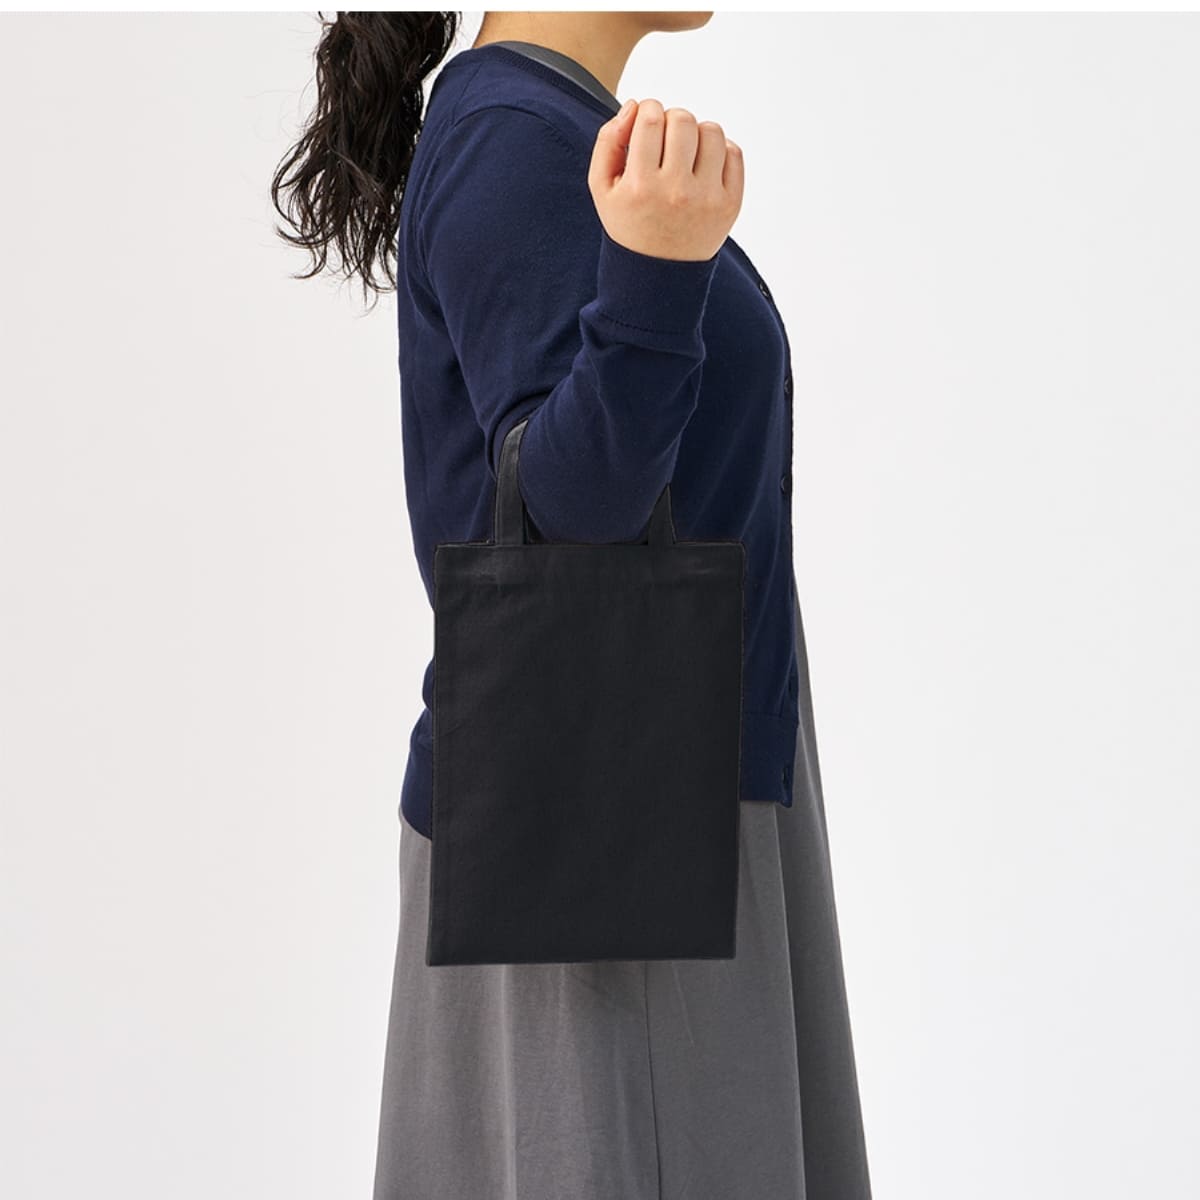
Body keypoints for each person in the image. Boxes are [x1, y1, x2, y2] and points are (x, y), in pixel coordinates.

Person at [272, 12, 873, 1199]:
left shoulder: (546, 126)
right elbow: (572, 515)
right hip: (616, 851)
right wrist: (657, 269)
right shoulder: (512, 144)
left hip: (662, 803)